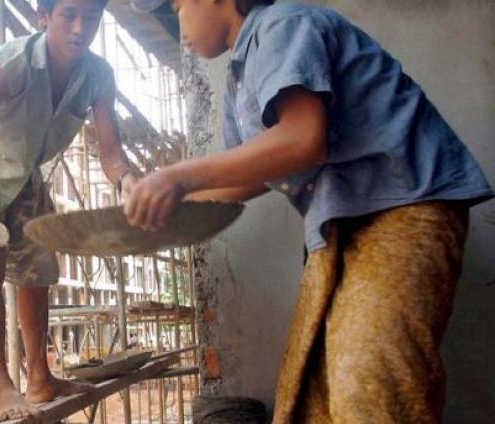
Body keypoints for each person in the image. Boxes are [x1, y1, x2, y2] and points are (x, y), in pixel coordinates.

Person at [127, 0, 492, 422]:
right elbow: (255, 173)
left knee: (369, 379)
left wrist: (178, 176)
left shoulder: (284, 24)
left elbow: (303, 138)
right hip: (340, 224)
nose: (178, 24)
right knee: (309, 398)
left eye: (177, 6)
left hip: (404, 206)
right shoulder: (239, 76)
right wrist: (171, 204)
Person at [0, 0, 141, 419]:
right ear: (44, 17)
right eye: (68, 15)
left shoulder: (99, 76)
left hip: (26, 172)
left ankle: (39, 378)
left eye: (90, 18)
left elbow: (111, 153)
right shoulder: (12, 62)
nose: (79, 27)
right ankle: (1, 389)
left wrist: (126, 181)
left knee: (38, 270)